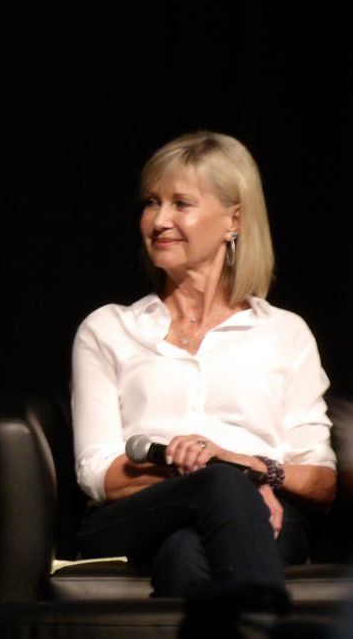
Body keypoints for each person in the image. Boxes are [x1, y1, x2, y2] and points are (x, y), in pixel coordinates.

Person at [71, 130, 336, 603]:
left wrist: (250, 468)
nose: (159, 220)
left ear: (234, 219)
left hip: (265, 512)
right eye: (152, 203)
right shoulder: (108, 328)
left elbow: (320, 480)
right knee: (219, 484)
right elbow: (97, 471)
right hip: (137, 517)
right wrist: (220, 478)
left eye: (181, 204)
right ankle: (268, 622)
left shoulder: (284, 332)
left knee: (185, 554)